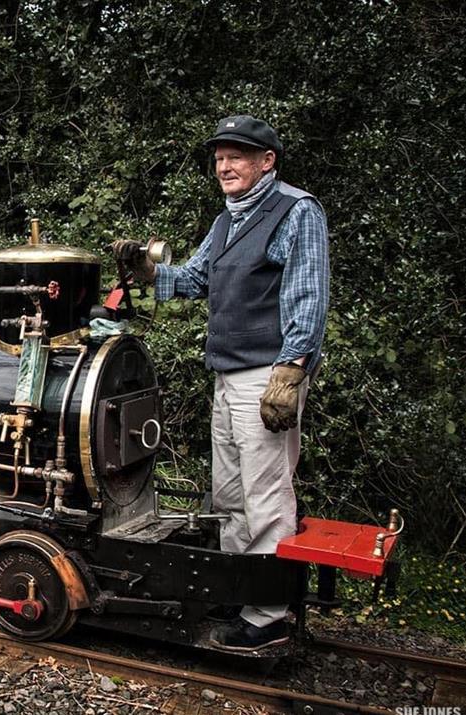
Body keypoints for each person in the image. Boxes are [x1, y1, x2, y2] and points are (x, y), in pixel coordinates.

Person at [113, 114, 329, 652]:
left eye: (236, 156)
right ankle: (238, 589)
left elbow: (308, 295)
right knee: (229, 494)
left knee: (265, 492)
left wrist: (293, 369)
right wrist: (144, 269)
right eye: (219, 159)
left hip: (266, 375)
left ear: (266, 162)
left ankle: (267, 615)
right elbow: (192, 278)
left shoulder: (295, 212)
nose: (225, 167)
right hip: (227, 375)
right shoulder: (228, 220)